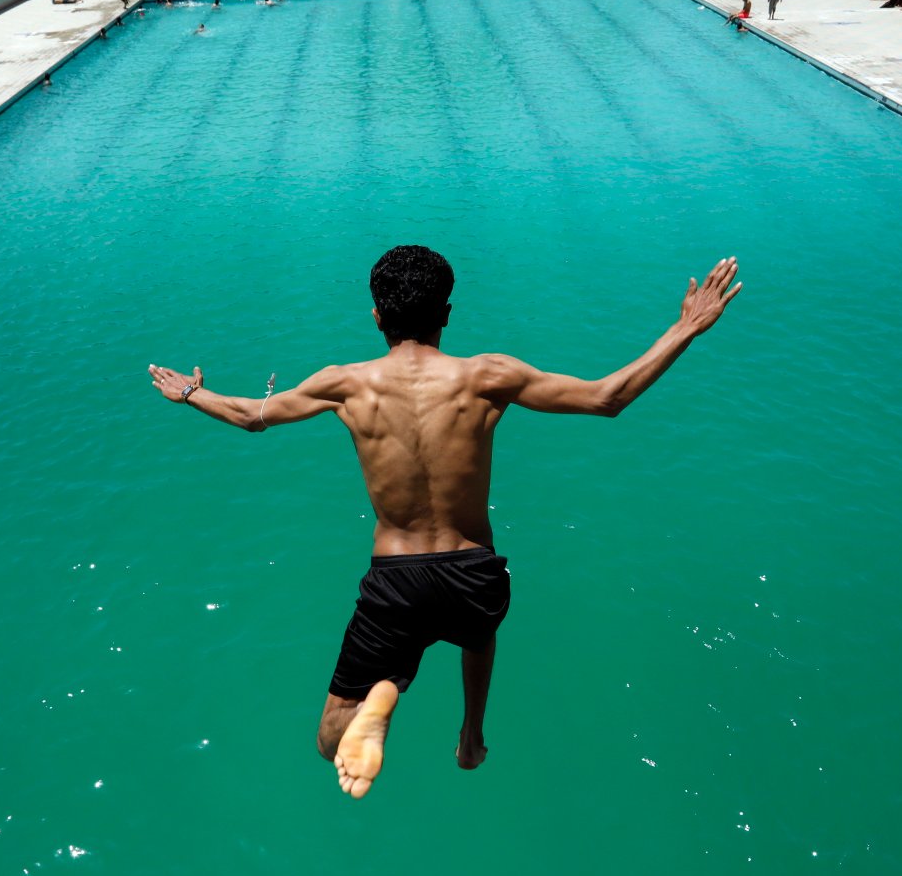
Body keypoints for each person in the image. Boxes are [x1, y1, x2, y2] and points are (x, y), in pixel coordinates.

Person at [148, 247, 741, 799]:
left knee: (331, 743)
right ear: (447, 314)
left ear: (377, 314)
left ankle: (385, 693)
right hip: (474, 572)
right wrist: (686, 326)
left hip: (396, 580)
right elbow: (608, 396)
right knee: (478, 631)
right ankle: (471, 738)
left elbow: (252, 415)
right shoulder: (488, 375)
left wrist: (192, 394)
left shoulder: (345, 384)